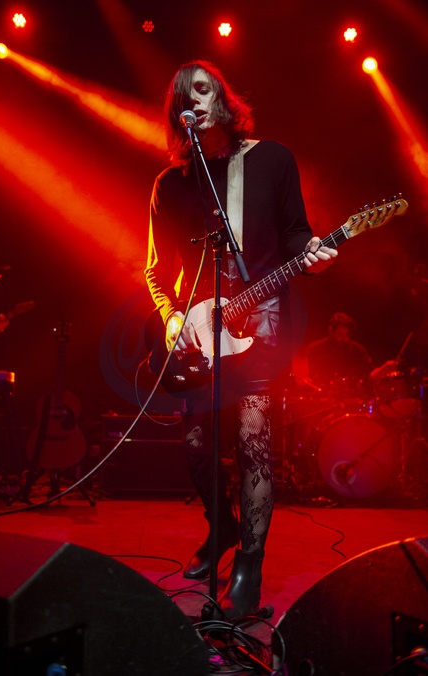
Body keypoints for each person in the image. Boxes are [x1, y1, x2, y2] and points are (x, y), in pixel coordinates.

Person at [144, 60, 338, 620]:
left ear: (223, 99)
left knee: (253, 440)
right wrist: (172, 318)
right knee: (195, 444)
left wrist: (314, 254)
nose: (194, 101)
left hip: (262, 320)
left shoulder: (273, 159)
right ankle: (223, 526)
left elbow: (296, 233)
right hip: (200, 328)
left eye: (203, 90)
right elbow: (156, 270)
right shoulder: (171, 184)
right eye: (183, 96)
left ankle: (249, 566)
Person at [305, 312, 397, 402]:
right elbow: (312, 380)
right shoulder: (316, 350)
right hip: (325, 400)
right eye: (340, 334)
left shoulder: (357, 350)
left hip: (355, 400)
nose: (344, 339)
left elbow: (369, 374)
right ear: (331, 330)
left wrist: (383, 369)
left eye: (347, 335)